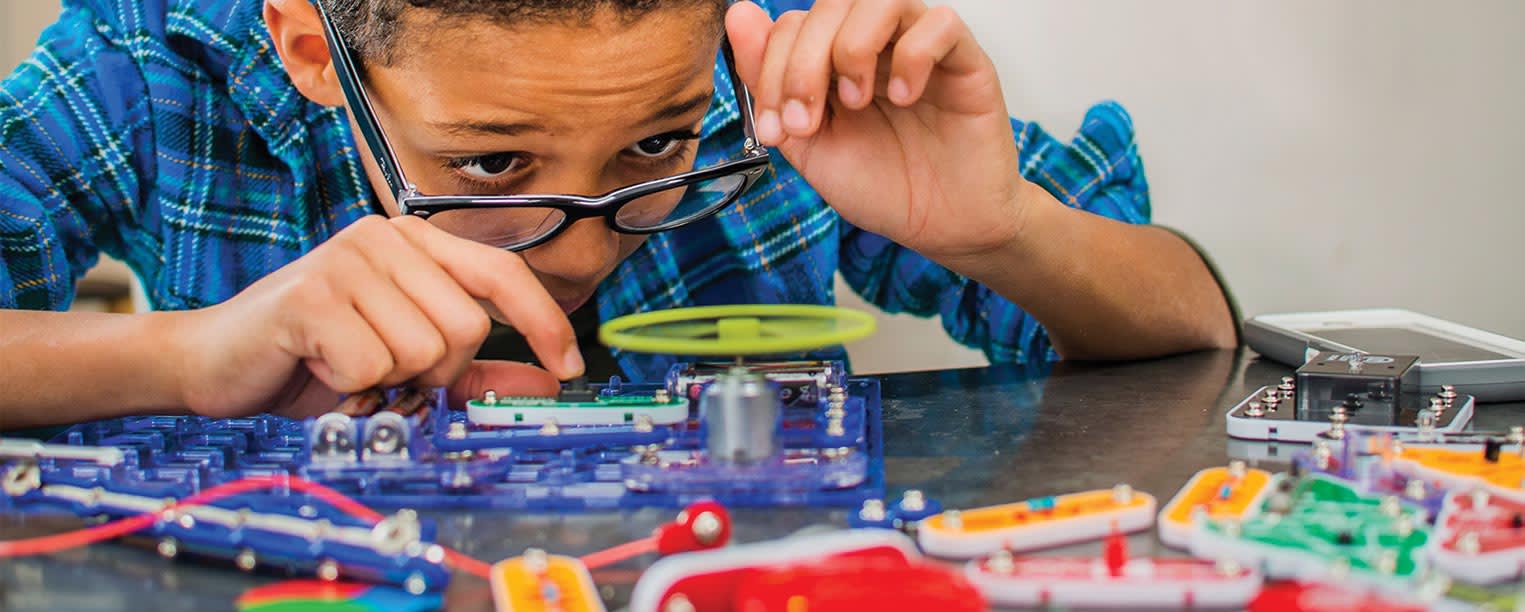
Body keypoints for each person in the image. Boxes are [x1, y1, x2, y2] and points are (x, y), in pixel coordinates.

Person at [0, 0, 1236, 430]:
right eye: (491, 166)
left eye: (659, 141)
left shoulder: (789, 72)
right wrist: (184, 356)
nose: (587, 245)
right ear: (312, 53)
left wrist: (996, 226)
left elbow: (1199, 327)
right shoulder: (157, 61)